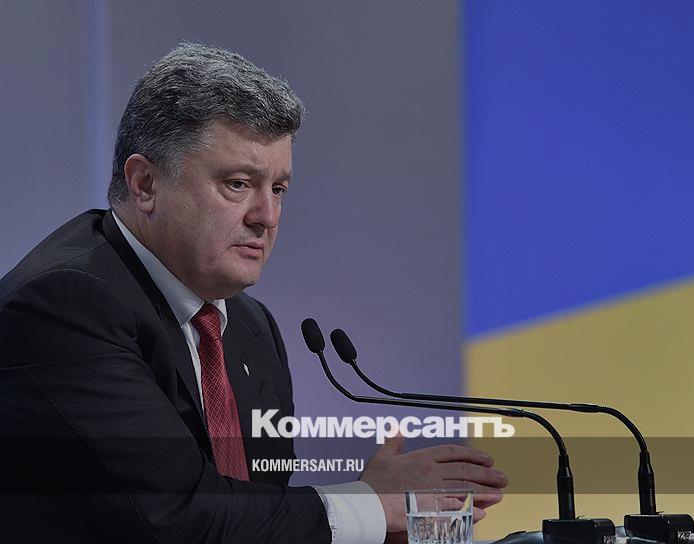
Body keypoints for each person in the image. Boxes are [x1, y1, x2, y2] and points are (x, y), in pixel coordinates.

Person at [0, 42, 505, 543]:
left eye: (278, 189)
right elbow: (180, 519)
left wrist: (379, 530)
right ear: (146, 184)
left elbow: (255, 521)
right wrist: (369, 505)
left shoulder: (249, 324)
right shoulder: (64, 304)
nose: (266, 216)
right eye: (238, 184)